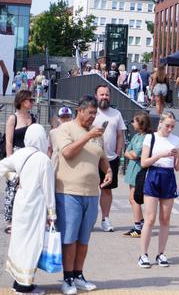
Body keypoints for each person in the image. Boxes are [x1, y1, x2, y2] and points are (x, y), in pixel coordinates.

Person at [52, 95, 112, 294]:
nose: (93, 117)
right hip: (68, 191)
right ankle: (67, 278)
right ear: (80, 110)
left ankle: (78, 275)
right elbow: (67, 152)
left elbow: (101, 156)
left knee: (84, 238)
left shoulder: (96, 133)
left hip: (92, 193)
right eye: (90, 113)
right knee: (69, 238)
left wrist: (109, 170)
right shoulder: (65, 129)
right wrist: (88, 136)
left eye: (95, 113)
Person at [0, 124, 56, 295]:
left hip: (21, 203)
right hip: (36, 206)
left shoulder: (20, 153)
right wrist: (52, 213)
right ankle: (25, 286)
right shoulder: (43, 159)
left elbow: (2, 165)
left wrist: (13, 176)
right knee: (32, 243)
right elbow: (48, 189)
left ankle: (19, 282)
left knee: (19, 241)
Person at [138, 112, 179, 268]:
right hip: (154, 174)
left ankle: (161, 253)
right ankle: (143, 254)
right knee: (150, 218)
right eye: (167, 126)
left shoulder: (176, 140)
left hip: (168, 176)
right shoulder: (151, 137)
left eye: (172, 126)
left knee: (165, 218)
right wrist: (160, 155)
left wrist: (178, 156)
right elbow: (144, 162)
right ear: (161, 124)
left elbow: (177, 167)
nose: (170, 129)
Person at [92, 84, 126, 233]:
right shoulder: (91, 112)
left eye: (107, 94)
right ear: (96, 96)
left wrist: (118, 154)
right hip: (91, 157)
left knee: (106, 190)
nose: (104, 97)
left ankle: (105, 219)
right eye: (102, 94)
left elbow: (120, 135)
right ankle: (88, 221)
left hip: (110, 158)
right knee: (90, 190)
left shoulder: (116, 114)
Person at [3, 90, 36, 233]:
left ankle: (25, 219)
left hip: (30, 156)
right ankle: (10, 221)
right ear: (22, 101)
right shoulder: (13, 118)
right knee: (13, 187)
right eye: (30, 100)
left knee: (28, 188)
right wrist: (10, 162)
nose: (32, 102)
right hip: (17, 154)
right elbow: (8, 142)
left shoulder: (33, 118)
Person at [123, 112, 152, 238]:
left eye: (134, 121)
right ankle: (140, 222)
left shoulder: (146, 137)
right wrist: (131, 154)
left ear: (141, 123)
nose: (132, 123)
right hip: (132, 169)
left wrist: (131, 154)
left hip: (139, 170)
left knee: (134, 199)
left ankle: (138, 227)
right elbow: (126, 152)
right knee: (132, 198)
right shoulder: (136, 136)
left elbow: (136, 154)